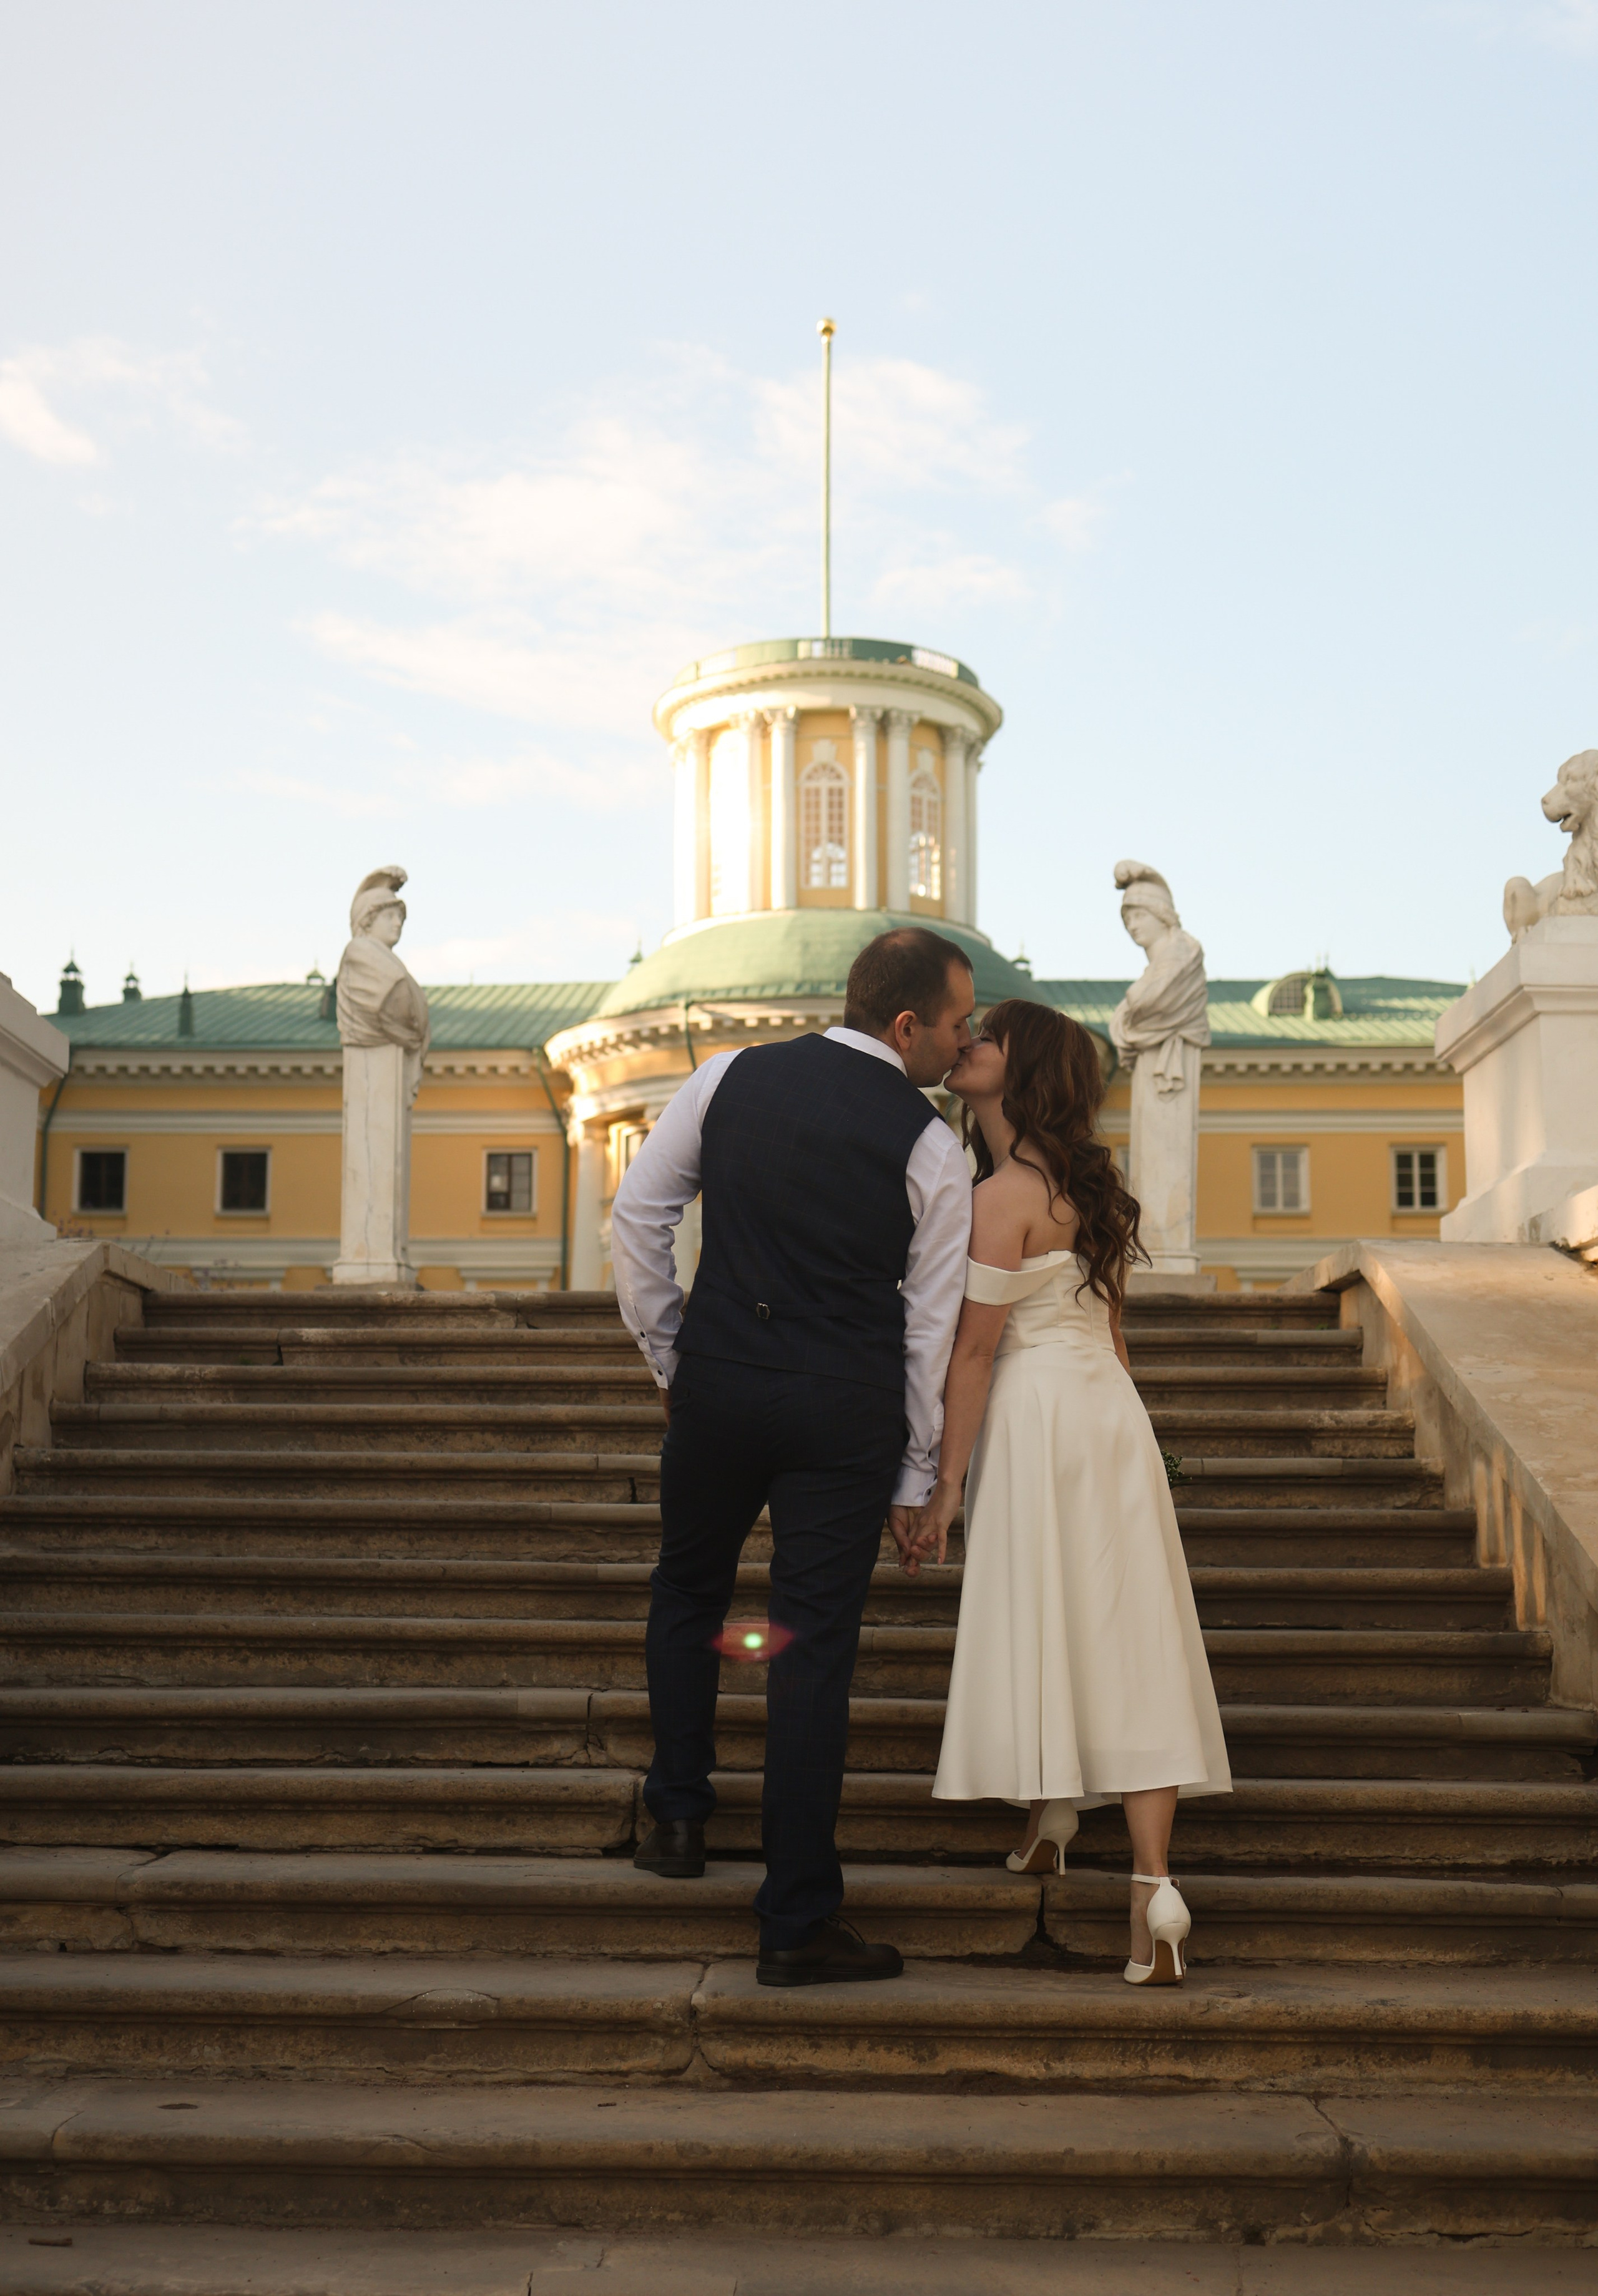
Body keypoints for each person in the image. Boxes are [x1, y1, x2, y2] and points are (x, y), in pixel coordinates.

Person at [609, 926, 975, 1986]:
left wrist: (673, 1355)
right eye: (955, 1025)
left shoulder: (727, 1077)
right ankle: (794, 1917)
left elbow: (638, 1217)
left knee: (687, 1591)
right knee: (808, 1653)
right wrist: (916, 1476)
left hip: (720, 1382)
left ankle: (677, 1815)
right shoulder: (933, 1148)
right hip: (841, 1408)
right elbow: (926, 1327)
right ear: (906, 1025)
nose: (964, 1044)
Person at [909, 999, 1232, 1984]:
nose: (965, 1046)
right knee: (1131, 1635)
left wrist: (945, 1484)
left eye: (986, 1038)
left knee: (1046, 1613)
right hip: (1110, 1411)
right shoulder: (1095, 1183)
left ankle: (1055, 1810)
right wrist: (1141, 1438)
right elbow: (1116, 1331)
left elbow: (974, 1350)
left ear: (1025, 1068)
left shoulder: (1000, 1195)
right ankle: (1151, 1889)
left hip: (1040, 1415)